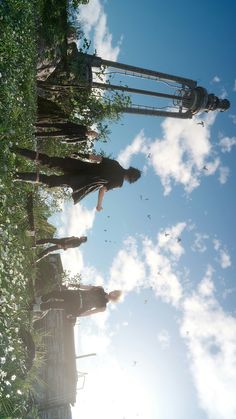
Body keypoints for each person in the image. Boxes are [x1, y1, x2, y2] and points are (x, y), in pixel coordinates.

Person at [12, 148, 141, 210]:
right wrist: (99, 205)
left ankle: (17, 150)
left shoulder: (115, 163)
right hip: (79, 180)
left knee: (49, 160)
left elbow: (95, 158)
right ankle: (17, 176)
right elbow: (103, 189)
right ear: (130, 178)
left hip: (78, 166)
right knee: (50, 181)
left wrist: (80, 154)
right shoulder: (119, 182)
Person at [34, 285, 122, 317]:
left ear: (115, 298)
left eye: (115, 293)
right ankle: (38, 300)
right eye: (114, 291)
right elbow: (87, 287)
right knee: (54, 293)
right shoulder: (100, 289)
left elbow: (90, 313)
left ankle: (34, 308)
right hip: (75, 294)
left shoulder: (103, 307)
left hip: (76, 306)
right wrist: (75, 285)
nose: (113, 292)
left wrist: (77, 315)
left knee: (53, 305)